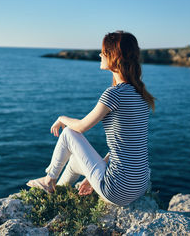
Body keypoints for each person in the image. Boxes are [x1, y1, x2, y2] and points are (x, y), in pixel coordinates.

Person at [26, 30, 156, 206]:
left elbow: (80, 127)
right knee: (73, 162)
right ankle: (57, 194)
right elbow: (129, 144)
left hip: (118, 190)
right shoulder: (141, 95)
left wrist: (62, 118)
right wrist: (94, 175)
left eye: (103, 52)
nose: (100, 55)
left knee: (69, 134)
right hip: (139, 185)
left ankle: (49, 180)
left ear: (113, 56)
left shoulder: (114, 94)